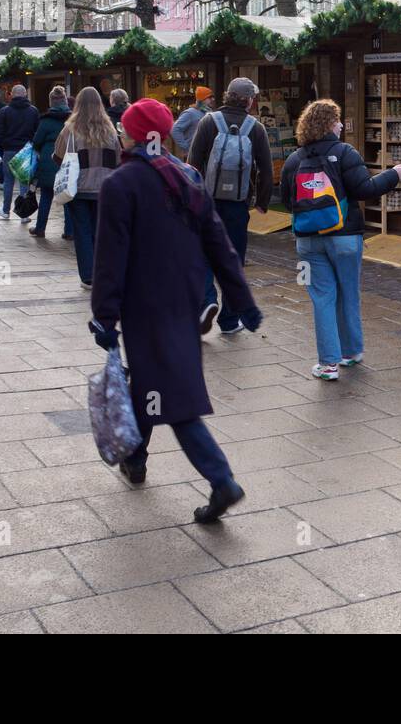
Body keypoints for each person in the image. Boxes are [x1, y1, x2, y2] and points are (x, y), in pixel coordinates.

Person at [90, 97, 262, 523]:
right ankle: (136, 458)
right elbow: (220, 246)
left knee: (175, 399)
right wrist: (241, 301)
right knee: (151, 382)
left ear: (131, 133)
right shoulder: (187, 177)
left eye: (123, 127)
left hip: (144, 307)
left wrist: (104, 316)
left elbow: (110, 257)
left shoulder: (121, 184)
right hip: (185, 301)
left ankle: (221, 480)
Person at [279, 99, 401, 379]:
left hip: (308, 240)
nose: (341, 124)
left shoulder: (294, 159)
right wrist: (393, 175)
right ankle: (350, 352)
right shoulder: (345, 153)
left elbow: (287, 201)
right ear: (328, 123)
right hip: (345, 237)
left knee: (322, 298)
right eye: (337, 120)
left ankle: (328, 365)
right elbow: (364, 190)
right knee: (348, 293)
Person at [187, 77, 273, 334]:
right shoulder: (256, 128)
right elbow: (266, 170)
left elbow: (192, 163)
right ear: (247, 100)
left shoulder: (207, 121)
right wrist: (262, 202)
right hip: (237, 204)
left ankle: (207, 301)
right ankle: (228, 320)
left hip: (207, 203)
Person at [54, 86, 121, 288]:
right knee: (100, 232)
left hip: (78, 188)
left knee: (82, 232)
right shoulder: (110, 130)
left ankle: (88, 276)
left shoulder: (70, 129)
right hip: (105, 188)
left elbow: (58, 157)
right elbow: (119, 159)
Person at [0, 85, 40, 220]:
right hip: (27, 151)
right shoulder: (33, 111)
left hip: (9, 150)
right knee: (24, 182)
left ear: (11, 94)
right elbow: (37, 132)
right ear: (25, 94)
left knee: (8, 181)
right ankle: (24, 214)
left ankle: (5, 210)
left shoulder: (4, 111)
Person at [29, 86, 72, 240]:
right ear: (65, 101)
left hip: (49, 161)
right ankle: (70, 231)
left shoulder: (46, 120)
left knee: (46, 196)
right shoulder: (72, 119)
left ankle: (40, 228)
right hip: (68, 162)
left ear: (51, 102)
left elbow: (36, 142)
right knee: (67, 197)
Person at [170, 87, 213, 158]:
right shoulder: (190, 113)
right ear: (202, 100)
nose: (213, 99)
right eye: (209, 97)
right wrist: (187, 148)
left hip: (206, 155)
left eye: (212, 97)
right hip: (193, 157)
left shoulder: (209, 112)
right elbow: (174, 130)